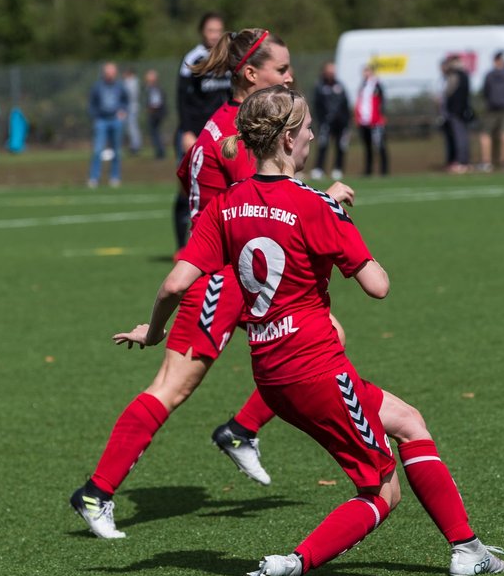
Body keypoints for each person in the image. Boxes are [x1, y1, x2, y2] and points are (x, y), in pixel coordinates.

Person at [120, 85, 504, 576]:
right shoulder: (315, 206)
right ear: (286, 139)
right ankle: (292, 563)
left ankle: (467, 548)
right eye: (306, 128)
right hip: (318, 370)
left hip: (271, 374)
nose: (311, 135)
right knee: (381, 490)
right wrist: (341, 217)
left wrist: (153, 333)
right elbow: (378, 286)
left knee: (409, 421)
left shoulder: (227, 204)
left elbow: (175, 283)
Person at [69, 28, 349, 538]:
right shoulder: (240, 139)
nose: (290, 77)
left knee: (325, 338)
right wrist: (323, 199)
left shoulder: (219, 129)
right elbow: (267, 199)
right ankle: (96, 493)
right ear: (251, 74)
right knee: (170, 387)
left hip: (239, 271)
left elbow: (191, 180)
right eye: (282, 70)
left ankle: (241, 430)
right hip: (222, 277)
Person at [174, 12, 231, 247]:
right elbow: (181, 98)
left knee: (227, 190)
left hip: (225, 135)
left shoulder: (229, 58)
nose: (215, 35)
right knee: (188, 191)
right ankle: (182, 248)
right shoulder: (194, 59)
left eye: (219, 30)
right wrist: (187, 131)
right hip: (198, 134)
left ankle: (221, 245)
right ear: (202, 32)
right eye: (211, 30)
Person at [88, 62, 128, 188]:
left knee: (116, 150)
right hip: (102, 120)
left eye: (112, 72)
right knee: (97, 150)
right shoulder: (97, 87)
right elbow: (91, 104)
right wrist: (95, 116)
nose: (110, 74)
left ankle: (115, 177)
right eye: (107, 72)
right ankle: (94, 178)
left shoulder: (120, 87)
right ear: (104, 73)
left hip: (115, 120)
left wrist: (123, 111)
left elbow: (125, 101)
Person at [310, 61, 350, 180]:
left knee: (340, 146)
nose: (332, 73)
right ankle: (319, 169)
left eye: (333, 71)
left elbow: (345, 104)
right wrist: (321, 119)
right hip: (325, 122)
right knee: (323, 146)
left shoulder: (340, 86)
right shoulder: (320, 87)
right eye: (329, 71)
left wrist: (346, 121)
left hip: (340, 124)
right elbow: (317, 105)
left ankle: (337, 169)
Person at [479, 52, 504, 171]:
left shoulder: (489, 75)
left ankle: (486, 162)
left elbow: (485, 91)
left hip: (491, 108)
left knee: (485, 134)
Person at [355, 65, 390, 177]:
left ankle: (384, 170)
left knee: (380, 145)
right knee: (368, 147)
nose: (366, 74)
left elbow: (382, 101)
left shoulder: (377, 85)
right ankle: (368, 170)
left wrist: (381, 116)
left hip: (376, 122)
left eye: (368, 71)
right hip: (364, 122)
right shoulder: (362, 86)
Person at [440, 55, 472, 173]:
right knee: (462, 137)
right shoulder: (465, 75)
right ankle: (462, 161)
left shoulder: (455, 75)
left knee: (459, 138)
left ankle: (461, 162)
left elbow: (448, 93)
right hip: (462, 111)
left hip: (455, 111)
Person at [144, 69, 167, 160]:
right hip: (157, 113)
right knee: (155, 133)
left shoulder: (154, 89)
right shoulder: (153, 88)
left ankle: (160, 151)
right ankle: (160, 151)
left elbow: (156, 102)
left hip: (155, 114)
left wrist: (151, 109)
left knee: (155, 133)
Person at [122, 67, 142, 155]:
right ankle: (133, 145)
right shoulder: (130, 82)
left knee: (132, 127)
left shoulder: (132, 82)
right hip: (129, 107)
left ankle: (135, 146)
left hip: (131, 108)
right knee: (130, 127)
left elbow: (129, 95)